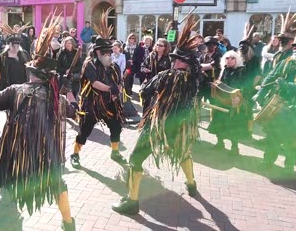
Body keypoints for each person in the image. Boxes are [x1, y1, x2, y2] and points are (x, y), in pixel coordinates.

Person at [0, 19, 78, 231]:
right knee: (58, 186)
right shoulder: (56, 99)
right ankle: (69, 224)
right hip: (43, 158)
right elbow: (74, 111)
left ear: (32, 73)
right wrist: (69, 95)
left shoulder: (16, 90)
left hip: (11, 158)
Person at [112, 15, 201, 215]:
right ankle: (191, 184)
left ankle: (132, 202)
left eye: (175, 59)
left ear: (181, 62)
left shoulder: (166, 76)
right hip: (181, 126)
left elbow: (144, 90)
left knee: (135, 160)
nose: (173, 61)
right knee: (184, 153)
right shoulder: (195, 79)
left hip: (158, 125)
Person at [254, 14, 296, 171]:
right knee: (273, 135)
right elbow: (270, 77)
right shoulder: (284, 62)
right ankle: (268, 161)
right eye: (294, 48)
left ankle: (289, 165)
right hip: (279, 105)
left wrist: (287, 85)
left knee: (293, 139)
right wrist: (261, 94)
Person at [70, 35, 126, 168]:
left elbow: (120, 82)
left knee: (116, 126)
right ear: (97, 52)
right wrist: (110, 89)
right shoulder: (89, 65)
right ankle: (75, 154)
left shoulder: (114, 67)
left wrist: (117, 90)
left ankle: (115, 152)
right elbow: (94, 83)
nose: (108, 53)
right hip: (92, 104)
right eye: (104, 51)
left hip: (110, 103)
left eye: (109, 50)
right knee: (85, 130)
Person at [207, 51, 248, 155]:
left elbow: (245, 86)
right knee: (219, 122)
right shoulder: (224, 69)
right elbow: (221, 83)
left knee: (233, 125)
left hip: (235, 101)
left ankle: (235, 147)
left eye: (232, 58)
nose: (229, 60)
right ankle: (220, 142)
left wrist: (240, 96)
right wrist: (215, 86)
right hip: (222, 100)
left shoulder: (241, 70)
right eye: (227, 58)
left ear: (236, 59)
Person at [140, 38, 172, 111]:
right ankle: (145, 120)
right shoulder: (151, 56)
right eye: (157, 44)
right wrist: (144, 69)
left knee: (159, 105)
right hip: (150, 83)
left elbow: (170, 71)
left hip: (161, 84)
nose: (158, 47)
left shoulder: (168, 58)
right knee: (147, 104)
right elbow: (143, 66)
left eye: (161, 45)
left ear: (165, 47)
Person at [199, 36, 222, 102]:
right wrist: (202, 67)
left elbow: (213, 65)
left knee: (213, 101)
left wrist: (202, 67)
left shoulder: (218, 55)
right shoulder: (202, 56)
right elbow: (198, 66)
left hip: (213, 84)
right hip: (202, 83)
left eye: (211, 45)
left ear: (215, 46)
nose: (208, 46)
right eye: (207, 45)